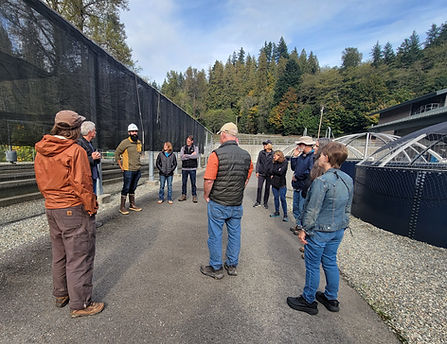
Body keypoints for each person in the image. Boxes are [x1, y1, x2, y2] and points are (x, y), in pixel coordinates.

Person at [34, 110, 104, 318]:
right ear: (74, 130)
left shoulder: (41, 150)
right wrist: (91, 207)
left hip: (52, 207)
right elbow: (82, 184)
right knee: (79, 256)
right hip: (72, 208)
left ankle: (61, 294)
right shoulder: (75, 151)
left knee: (60, 253)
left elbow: (40, 180)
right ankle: (80, 304)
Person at [287, 142, 354, 315]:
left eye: (321, 154)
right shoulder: (348, 179)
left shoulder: (321, 182)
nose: (319, 156)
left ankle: (308, 300)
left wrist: (304, 230)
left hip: (320, 231)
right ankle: (331, 298)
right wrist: (343, 225)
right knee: (330, 262)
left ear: (327, 157)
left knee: (313, 265)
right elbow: (348, 207)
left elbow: (312, 209)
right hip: (337, 230)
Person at [200, 122, 253, 279]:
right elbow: (247, 176)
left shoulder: (216, 155)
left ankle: (216, 268)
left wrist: (206, 195)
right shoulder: (246, 156)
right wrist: (238, 189)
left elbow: (209, 180)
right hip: (236, 203)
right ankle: (231, 265)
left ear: (224, 134)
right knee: (235, 234)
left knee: (215, 235)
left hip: (218, 202)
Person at [115, 123, 143, 215]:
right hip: (128, 170)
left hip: (137, 169)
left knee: (133, 188)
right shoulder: (125, 142)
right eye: (132, 131)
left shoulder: (139, 142)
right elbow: (117, 153)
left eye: (135, 131)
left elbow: (139, 154)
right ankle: (122, 207)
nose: (134, 133)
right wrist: (121, 166)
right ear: (129, 132)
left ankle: (132, 205)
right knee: (126, 188)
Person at [290, 136, 315, 233]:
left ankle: (302, 228)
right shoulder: (301, 156)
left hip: (304, 186)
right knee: (295, 207)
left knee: (302, 208)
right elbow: (293, 168)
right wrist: (294, 157)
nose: (298, 146)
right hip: (297, 185)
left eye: (300, 144)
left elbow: (310, 172)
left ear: (306, 145)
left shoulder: (312, 157)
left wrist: (297, 176)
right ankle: (298, 225)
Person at [269, 150, 288, 222]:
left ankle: (285, 214)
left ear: (279, 155)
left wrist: (275, 171)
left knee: (283, 198)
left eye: (275, 155)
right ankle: (277, 212)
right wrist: (276, 171)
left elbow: (281, 172)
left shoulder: (285, 162)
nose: (274, 157)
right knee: (276, 198)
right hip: (274, 183)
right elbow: (270, 170)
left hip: (282, 184)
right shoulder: (274, 162)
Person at [179, 135, 199, 203]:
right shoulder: (183, 148)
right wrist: (191, 155)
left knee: (193, 183)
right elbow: (181, 157)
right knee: (184, 183)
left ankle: (194, 195)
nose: (187, 142)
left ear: (192, 141)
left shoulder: (195, 147)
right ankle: (183, 195)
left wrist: (186, 155)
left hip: (192, 168)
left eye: (189, 141)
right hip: (184, 168)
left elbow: (196, 156)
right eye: (187, 141)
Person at [253, 139, 273, 209]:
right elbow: (258, 162)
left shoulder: (273, 154)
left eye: (265, 144)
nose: (264, 146)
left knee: (267, 188)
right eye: (264, 144)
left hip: (269, 174)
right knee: (259, 188)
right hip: (261, 173)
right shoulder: (261, 153)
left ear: (269, 145)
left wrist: (272, 173)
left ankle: (265, 203)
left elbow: (274, 164)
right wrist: (257, 171)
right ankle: (258, 201)